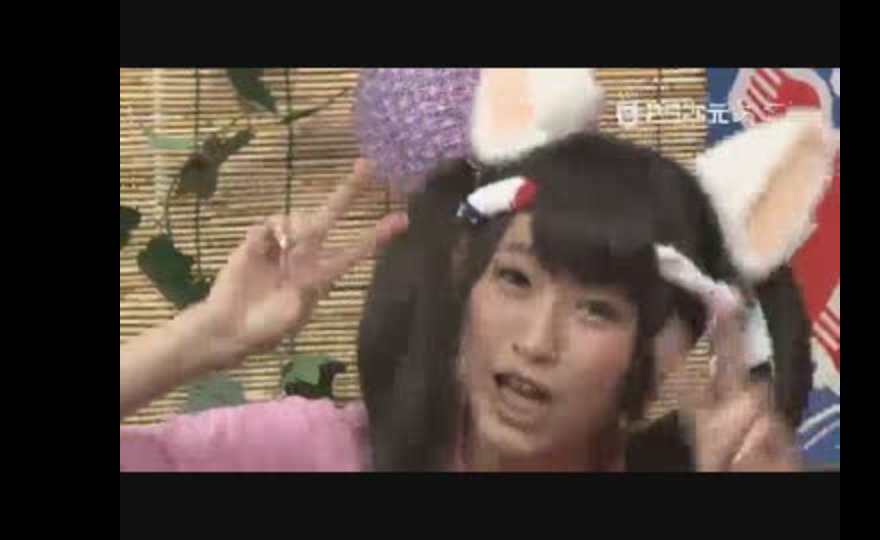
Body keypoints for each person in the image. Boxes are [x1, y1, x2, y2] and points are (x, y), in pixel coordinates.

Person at [121, 103, 831, 471]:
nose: (536, 341)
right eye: (515, 279)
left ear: (661, 351)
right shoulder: (319, 454)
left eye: (595, 309)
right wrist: (207, 336)